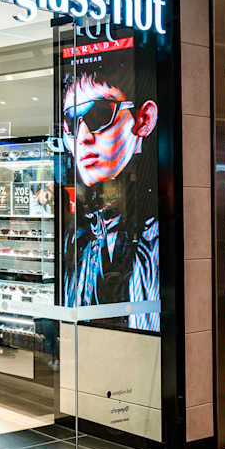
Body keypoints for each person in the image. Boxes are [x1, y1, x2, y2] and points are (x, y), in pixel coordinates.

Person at [61, 38, 160, 332]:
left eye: (98, 114)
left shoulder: (154, 236)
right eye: (70, 122)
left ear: (144, 119)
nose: (82, 137)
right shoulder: (76, 235)